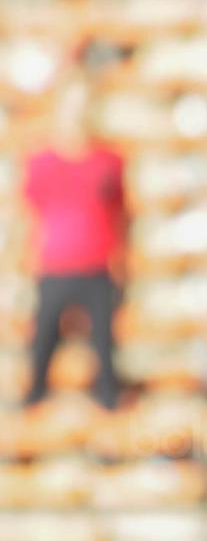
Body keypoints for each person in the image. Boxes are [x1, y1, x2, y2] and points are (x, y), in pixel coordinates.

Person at [23, 78, 127, 411]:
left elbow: (120, 213)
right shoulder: (42, 161)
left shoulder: (109, 161)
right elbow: (33, 213)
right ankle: (33, 405)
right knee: (41, 346)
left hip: (97, 265)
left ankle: (109, 409)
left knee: (105, 350)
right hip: (55, 265)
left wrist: (122, 263)